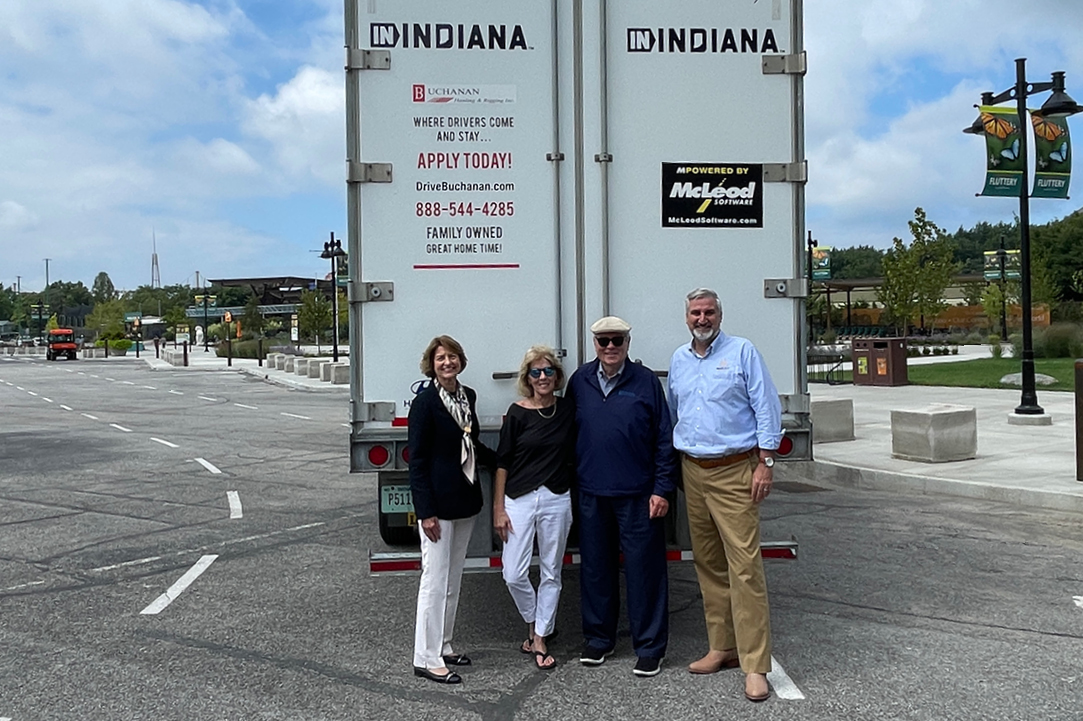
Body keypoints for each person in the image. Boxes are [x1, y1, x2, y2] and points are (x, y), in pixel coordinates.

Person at [667, 288, 782, 703]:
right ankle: (723, 647)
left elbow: (766, 406)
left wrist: (765, 462)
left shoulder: (742, 352)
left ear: (720, 314)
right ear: (686, 318)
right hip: (693, 471)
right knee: (709, 565)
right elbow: (675, 411)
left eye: (709, 311)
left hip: (735, 470)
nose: (702, 318)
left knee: (745, 568)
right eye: (696, 312)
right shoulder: (679, 359)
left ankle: (755, 665)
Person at [565, 316, 676, 678]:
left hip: (639, 495)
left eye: (617, 340)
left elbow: (663, 438)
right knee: (595, 571)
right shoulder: (579, 381)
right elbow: (568, 437)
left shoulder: (645, 382)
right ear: (594, 344)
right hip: (591, 493)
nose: (610, 347)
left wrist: (662, 489)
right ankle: (599, 640)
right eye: (603, 341)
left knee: (645, 573)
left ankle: (650, 648)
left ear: (628, 343)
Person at [408, 335, 495, 685]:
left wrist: (505, 460)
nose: (448, 363)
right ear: (432, 364)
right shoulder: (425, 403)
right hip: (438, 507)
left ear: (461, 360)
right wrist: (425, 511)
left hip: (465, 499)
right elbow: (416, 462)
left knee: (453, 579)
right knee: (433, 579)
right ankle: (425, 657)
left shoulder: (467, 396)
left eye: (453, 356)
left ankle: (443, 644)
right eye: (441, 358)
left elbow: (471, 443)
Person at [493, 345, 576, 671]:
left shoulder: (568, 409)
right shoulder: (517, 413)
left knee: (551, 572)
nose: (542, 377)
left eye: (548, 371)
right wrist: (499, 508)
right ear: (527, 378)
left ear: (557, 377)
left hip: (557, 498)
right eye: (535, 372)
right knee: (512, 572)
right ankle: (533, 619)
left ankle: (539, 636)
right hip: (519, 500)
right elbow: (502, 462)